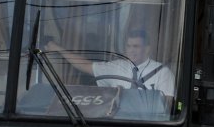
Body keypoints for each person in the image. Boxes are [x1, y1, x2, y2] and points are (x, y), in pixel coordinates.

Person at [45, 29, 175, 97]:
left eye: (136, 46)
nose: (131, 50)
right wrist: (59, 49)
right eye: (129, 46)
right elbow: (84, 65)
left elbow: (168, 104)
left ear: (147, 49)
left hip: (147, 126)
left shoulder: (162, 72)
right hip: (116, 124)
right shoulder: (116, 67)